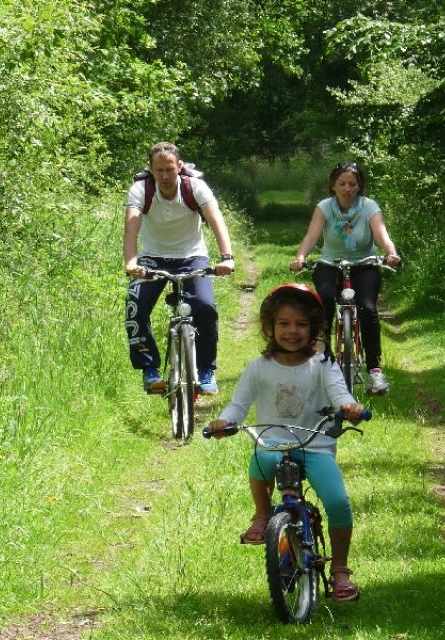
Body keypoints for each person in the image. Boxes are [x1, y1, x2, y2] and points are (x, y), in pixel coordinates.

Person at [208, 283, 365, 602]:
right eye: (283, 323)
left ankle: (341, 570)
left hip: (315, 446)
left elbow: (339, 393)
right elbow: (238, 405)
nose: (292, 331)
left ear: (314, 329)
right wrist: (225, 422)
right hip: (273, 443)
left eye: (301, 324)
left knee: (337, 502)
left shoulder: (322, 365)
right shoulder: (258, 368)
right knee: (261, 460)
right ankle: (262, 514)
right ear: (269, 327)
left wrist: (349, 407)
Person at [124, 142, 234, 395]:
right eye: (159, 170)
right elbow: (131, 227)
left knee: (205, 307)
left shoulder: (194, 187)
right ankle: (150, 370)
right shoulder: (141, 190)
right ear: (151, 169)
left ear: (179, 167)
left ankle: (206, 370)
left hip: (192, 256)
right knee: (135, 306)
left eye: (170, 169)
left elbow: (216, 219)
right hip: (152, 257)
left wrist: (227, 257)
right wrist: (131, 262)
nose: (164, 176)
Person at [289, 162, 401, 395]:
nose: (347, 188)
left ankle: (375, 371)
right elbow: (312, 235)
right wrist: (301, 256)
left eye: (353, 183)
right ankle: (322, 359)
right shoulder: (325, 207)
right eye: (342, 183)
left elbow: (381, 234)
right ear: (333, 186)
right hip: (330, 263)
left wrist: (390, 253)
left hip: (364, 264)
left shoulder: (369, 207)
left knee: (368, 308)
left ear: (359, 186)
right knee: (325, 300)